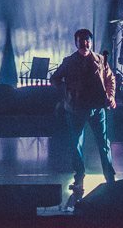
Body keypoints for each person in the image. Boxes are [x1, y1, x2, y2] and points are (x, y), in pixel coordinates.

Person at [49, 28, 117, 196]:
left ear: (91, 42)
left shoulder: (100, 59)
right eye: (81, 41)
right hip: (76, 109)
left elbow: (110, 79)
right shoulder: (69, 62)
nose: (84, 43)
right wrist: (67, 93)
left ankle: (110, 177)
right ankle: (79, 177)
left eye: (87, 40)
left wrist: (110, 96)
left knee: (104, 144)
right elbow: (55, 78)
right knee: (76, 144)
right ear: (76, 42)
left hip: (97, 108)